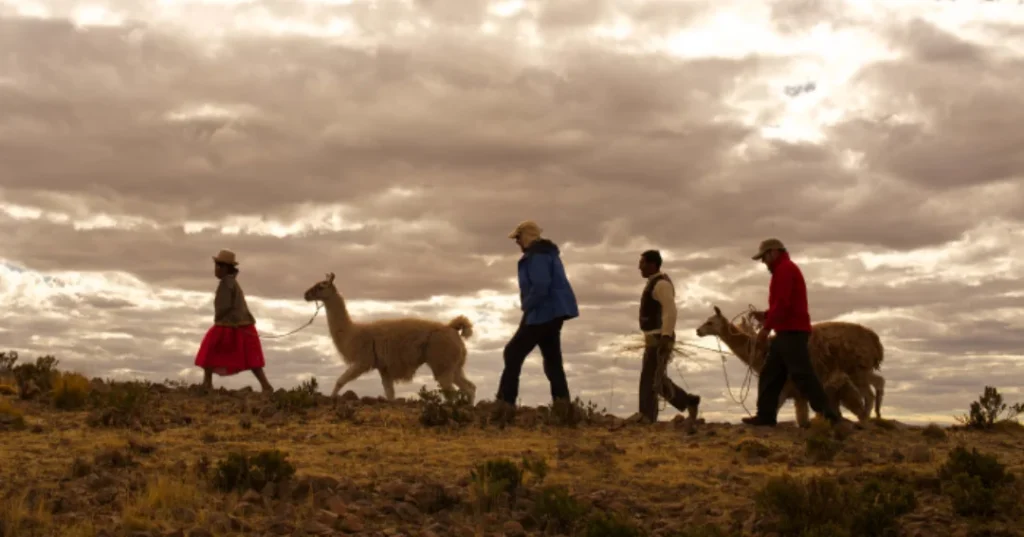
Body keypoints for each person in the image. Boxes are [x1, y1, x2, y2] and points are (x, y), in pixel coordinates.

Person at [744, 239, 842, 427]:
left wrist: (766, 328)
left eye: (764, 258)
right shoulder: (784, 270)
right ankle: (765, 416)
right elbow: (782, 305)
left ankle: (829, 417)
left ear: (773, 253)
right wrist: (765, 315)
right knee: (770, 374)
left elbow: (782, 304)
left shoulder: (785, 270)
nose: (763, 262)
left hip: (792, 331)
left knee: (802, 374)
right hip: (786, 331)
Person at [494, 220, 579, 422]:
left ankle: (505, 405)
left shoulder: (537, 256)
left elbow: (541, 286)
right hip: (553, 313)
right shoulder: (548, 254)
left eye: (517, 238)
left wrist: (527, 305)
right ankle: (563, 408)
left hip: (542, 312)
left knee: (513, 352)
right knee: (552, 360)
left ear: (526, 237)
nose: (516, 242)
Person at [636, 250, 701, 430]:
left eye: (642, 263)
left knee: (649, 378)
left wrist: (665, 336)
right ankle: (689, 401)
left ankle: (647, 417)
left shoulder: (661, 284)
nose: (639, 267)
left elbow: (670, 311)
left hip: (659, 338)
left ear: (652, 264)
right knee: (657, 378)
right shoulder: (654, 283)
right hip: (654, 338)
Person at [194, 249, 274, 393]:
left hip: (230, 325)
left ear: (225, 268)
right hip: (240, 324)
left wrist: (220, 318)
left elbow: (223, 306)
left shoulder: (227, 284)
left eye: (219, 266)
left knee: (210, 350)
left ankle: (207, 382)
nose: (216, 269)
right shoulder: (231, 282)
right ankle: (265, 385)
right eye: (216, 266)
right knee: (251, 358)